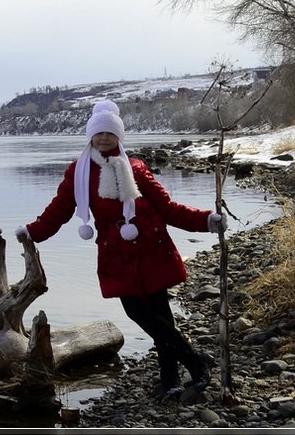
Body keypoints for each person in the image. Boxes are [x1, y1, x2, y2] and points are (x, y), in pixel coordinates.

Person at [14, 100, 227, 399]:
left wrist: (207, 221)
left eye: (110, 134)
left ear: (119, 137)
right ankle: (195, 362)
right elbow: (60, 209)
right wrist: (33, 232)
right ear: (90, 136)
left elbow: (168, 208)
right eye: (99, 133)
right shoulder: (79, 172)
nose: (104, 139)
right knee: (142, 314)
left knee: (161, 317)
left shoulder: (136, 168)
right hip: (118, 256)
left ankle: (170, 380)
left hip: (153, 249)